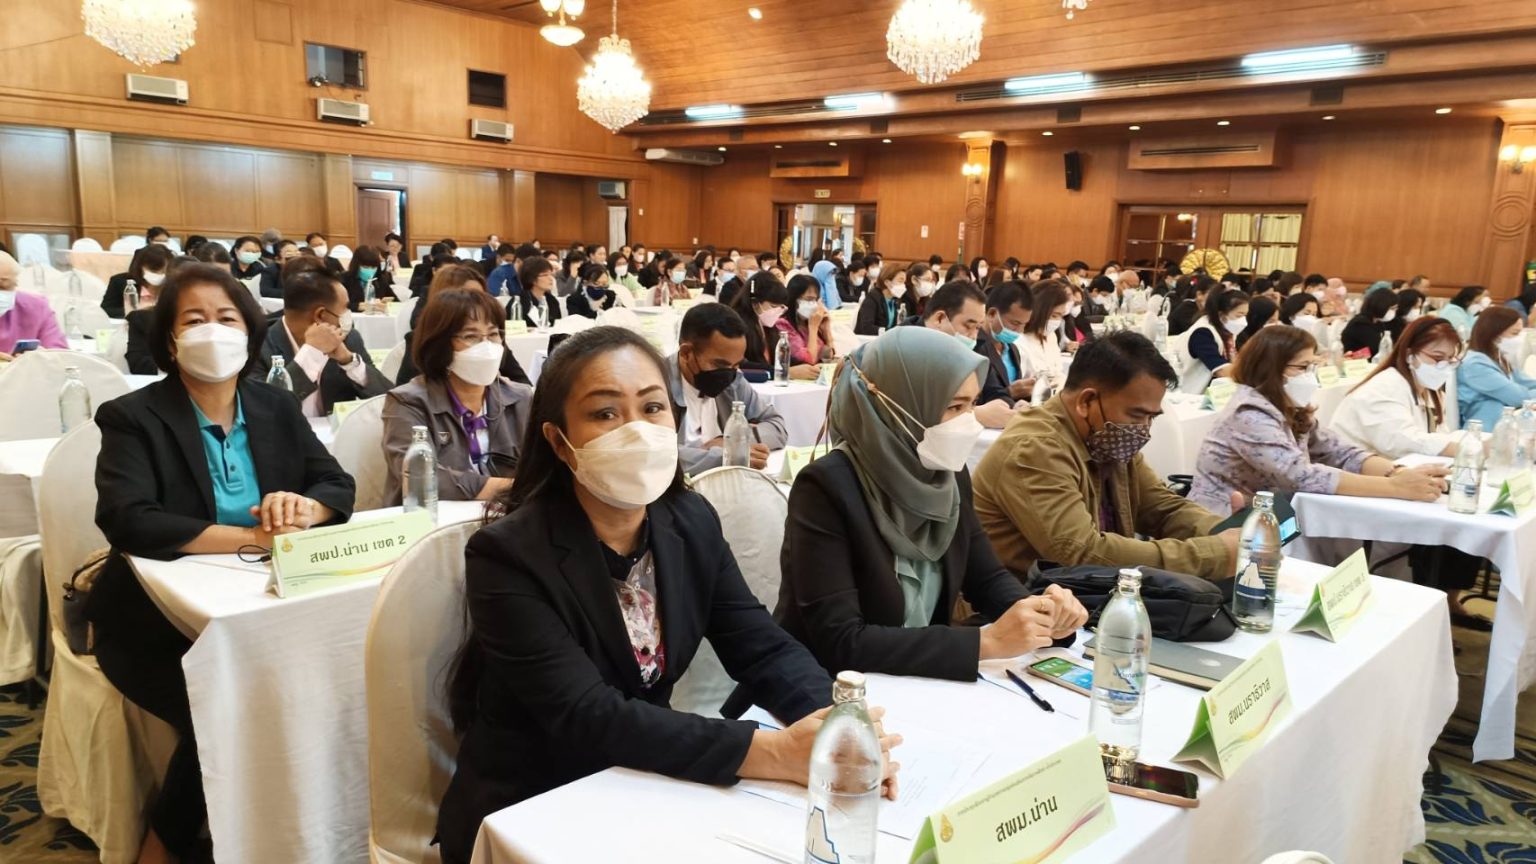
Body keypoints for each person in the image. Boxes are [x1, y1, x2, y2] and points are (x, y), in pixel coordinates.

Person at [433, 326, 898, 864]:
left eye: (652, 407)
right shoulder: (507, 555)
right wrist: (772, 752)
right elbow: (587, 714)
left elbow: (761, 646)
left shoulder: (688, 520)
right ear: (560, 442)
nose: (636, 429)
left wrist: (838, 733)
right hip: (537, 801)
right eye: (605, 413)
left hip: (649, 779)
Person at [91, 263, 354, 864]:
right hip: (153, 621)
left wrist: (305, 509)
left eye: (227, 318)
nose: (213, 331)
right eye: (194, 320)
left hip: (268, 610)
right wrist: (249, 538)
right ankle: (163, 845)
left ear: (249, 331)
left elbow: (337, 485)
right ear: (169, 340)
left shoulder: (275, 405)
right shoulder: (132, 416)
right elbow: (129, 519)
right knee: (225, 707)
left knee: (330, 685)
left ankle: (299, 830)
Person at [775, 327, 1086, 680]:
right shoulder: (827, 486)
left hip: (917, 681)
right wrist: (984, 643)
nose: (969, 421)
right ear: (900, 404)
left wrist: (1042, 615)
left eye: (973, 404)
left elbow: (986, 578)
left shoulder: (946, 475)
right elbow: (840, 640)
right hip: (826, 688)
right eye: (954, 406)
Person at [974, 331, 1242, 580]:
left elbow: (1162, 509)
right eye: (1137, 415)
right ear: (1086, 401)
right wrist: (1214, 554)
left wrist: (1234, 535)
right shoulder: (1035, 449)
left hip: (1082, 595)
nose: (1144, 429)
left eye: (1151, 417)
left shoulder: (1106, 438)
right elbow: (1082, 552)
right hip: (1021, 602)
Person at [1189, 326, 1446, 517]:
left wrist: (1397, 472)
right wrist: (1394, 487)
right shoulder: (1249, 413)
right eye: (1302, 368)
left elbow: (1339, 451)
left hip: (1268, 513)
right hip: (1223, 519)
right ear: (1269, 369)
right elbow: (1299, 475)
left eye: (1313, 366)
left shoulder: (1288, 407)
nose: (1310, 376)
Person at [383, 289, 531, 505]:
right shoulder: (407, 402)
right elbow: (420, 477)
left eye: (493, 335)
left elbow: (543, 468)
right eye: (470, 336)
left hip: (508, 516)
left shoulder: (520, 397)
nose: (486, 346)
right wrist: (511, 487)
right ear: (440, 343)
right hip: (433, 518)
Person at [252, 268, 391, 416]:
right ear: (320, 315)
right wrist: (310, 354)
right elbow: (264, 408)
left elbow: (390, 401)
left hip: (336, 430)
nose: (348, 314)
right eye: (345, 308)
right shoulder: (257, 345)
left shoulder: (348, 338)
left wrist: (349, 362)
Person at [665, 304, 787, 472]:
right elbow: (654, 454)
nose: (729, 373)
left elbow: (777, 427)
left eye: (736, 365)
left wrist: (732, 441)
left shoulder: (734, 381)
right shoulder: (655, 384)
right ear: (686, 353)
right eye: (719, 364)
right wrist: (725, 456)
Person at [397, 268, 530, 387]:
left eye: (481, 296)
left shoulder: (491, 339)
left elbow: (522, 382)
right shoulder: (424, 341)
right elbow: (407, 393)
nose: (475, 303)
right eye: (467, 295)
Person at [1458, 306, 1536, 428]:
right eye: (1515, 333)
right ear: (1494, 334)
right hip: (1484, 428)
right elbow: (1518, 397)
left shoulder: (1499, 358)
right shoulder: (1475, 365)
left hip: (1504, 425)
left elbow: (1527, 382)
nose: (1520, 339)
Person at [1177, 288, 1247, 394]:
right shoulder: (1202, 333)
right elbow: (1221, 371)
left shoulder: (1227, 331)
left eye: (1245, 315)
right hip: (1192, 394)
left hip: (1216, 392)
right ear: (1221, 314)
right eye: (1239, 315)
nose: (1243, 321)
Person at [976, 281, 1035, 407]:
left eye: (1024, 324)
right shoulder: (976, 346)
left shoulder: (1012, 349)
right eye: (1015, 323)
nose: (1020, 330)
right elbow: (974, 399)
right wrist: (1010, 392)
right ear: (992, 314)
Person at [0, 252, 66, 357]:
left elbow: (60, 355)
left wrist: (43, 357)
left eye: (3, 286)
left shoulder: (37, 307)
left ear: (15, 283)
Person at [726, 273, 790, 374]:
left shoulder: (767, 325)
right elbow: (740, 363)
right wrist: (781, 371)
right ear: (755, 303)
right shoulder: (736, 325)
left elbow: (780, 355)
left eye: (781, 307)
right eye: (773, 306)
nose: (777, 311)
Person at [1018, 278, 1071, 393]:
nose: (1057, 321)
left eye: (1061, 316)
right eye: (1054, 315)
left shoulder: (1051, 336)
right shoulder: (1019, 340)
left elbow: (1057, 372)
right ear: (1039, 311)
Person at [774, 274, 834, 373]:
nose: (814, 304)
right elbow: (809, 360)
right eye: (809, 299)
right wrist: (813, 328)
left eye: (816, 300)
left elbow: (828, 355)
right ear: (794, 299)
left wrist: (827, 332)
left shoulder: (807, 322)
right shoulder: (783, 324)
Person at [105, 243, 174, 319]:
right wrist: (135, 311)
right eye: (154, 270)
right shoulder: (120, 281)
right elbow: (106, 309)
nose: (159, 274)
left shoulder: (174, 284)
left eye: (164, 271)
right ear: (140, 266)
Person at [1340, 288, 1398, 358]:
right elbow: (1376, 349)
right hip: (1356, 361)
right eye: (1392, 308)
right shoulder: (1360, 324)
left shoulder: (1378, 322)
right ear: (1381, 306)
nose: (1394, 311)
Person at [855, 264, 911, 335]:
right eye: (900, 281)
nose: (903, 286)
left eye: (904, 282)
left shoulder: (896, 300)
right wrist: (890, 332)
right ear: (887, 282)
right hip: (867, 339)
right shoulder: (872, 298)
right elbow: (867, 328)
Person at [341, 245, 397, 309]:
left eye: (373, 267)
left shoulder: (380, 280)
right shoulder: (345, 280)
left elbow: (396, 301)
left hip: (377, 314)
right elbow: (340, 305)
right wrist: (357, 306)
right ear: (356, 265)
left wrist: (387, 302)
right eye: (365, 267)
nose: (370, 270)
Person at [514, 255, 562, 328]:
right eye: (545, 275)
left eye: (551, 274)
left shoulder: (552, 301)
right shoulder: (519, 302)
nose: (551, 278)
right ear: (531, 278)